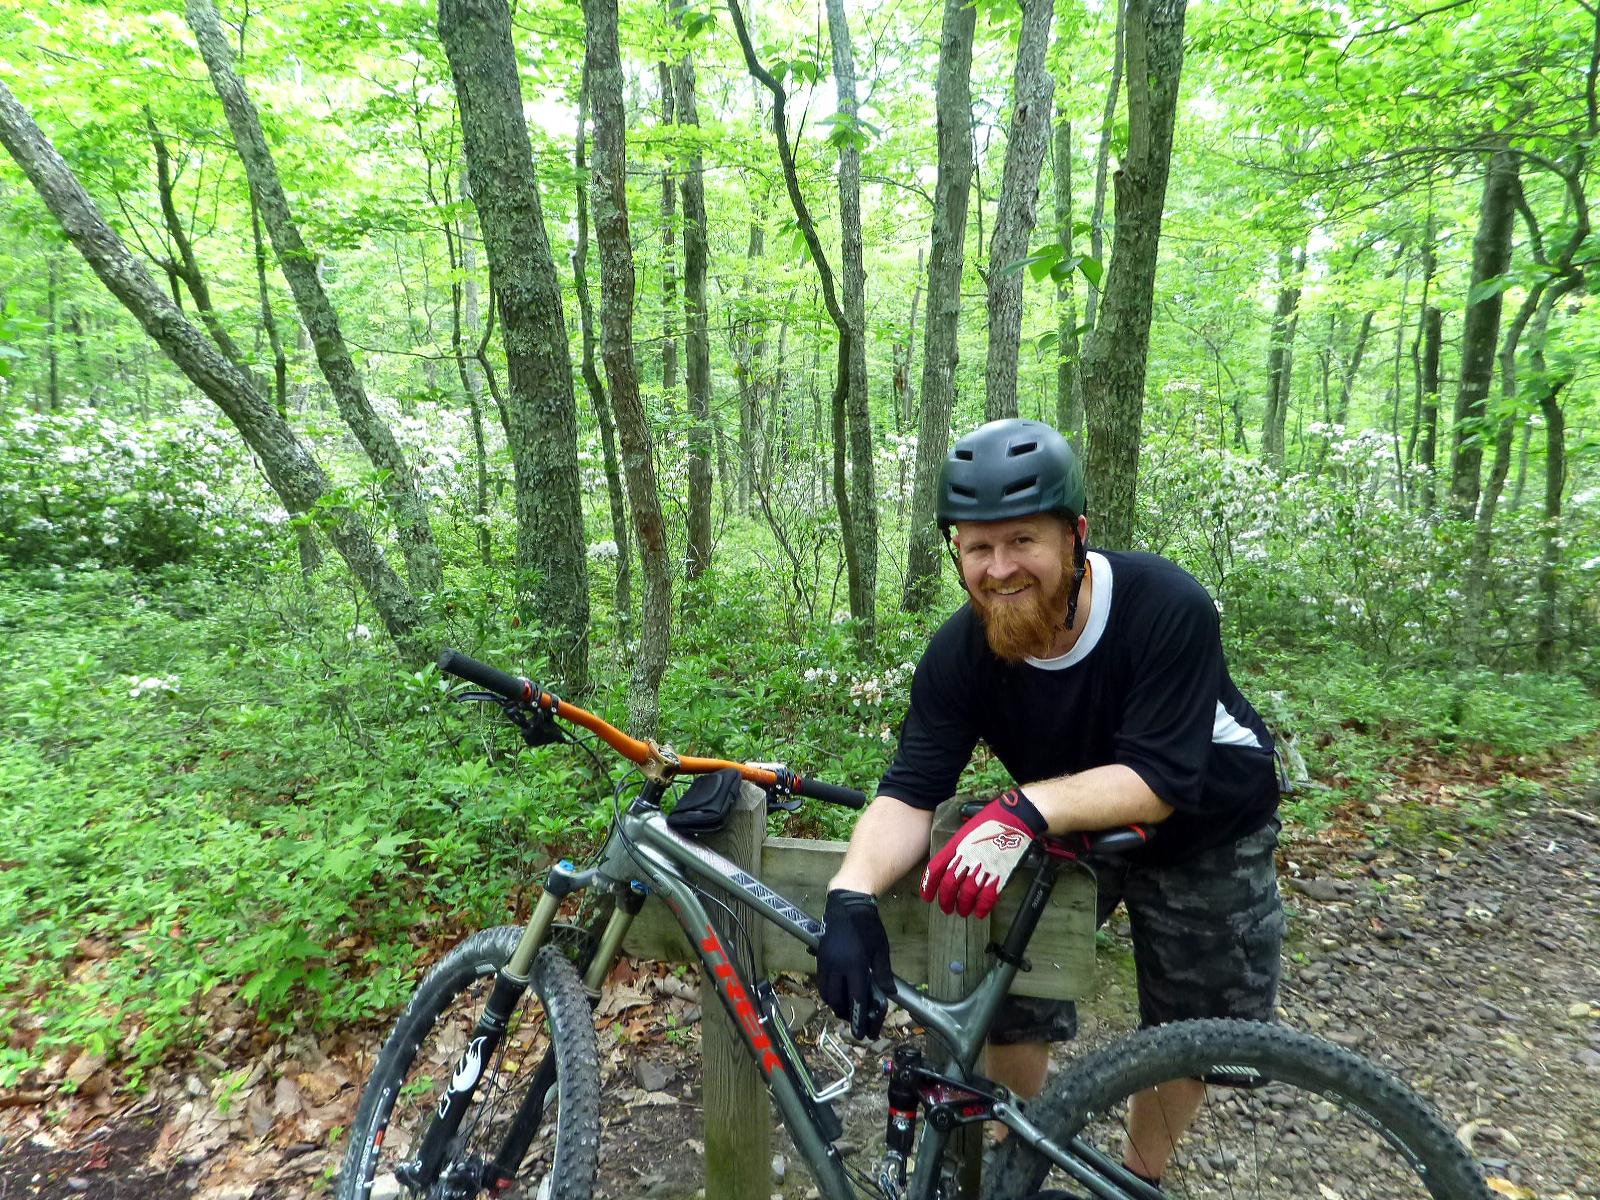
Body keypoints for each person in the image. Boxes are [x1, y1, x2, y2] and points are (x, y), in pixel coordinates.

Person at [815, 417, 1284, 1186]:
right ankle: (1021, 1155)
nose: (1000, 569)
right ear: (955, 552)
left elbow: (1162, 780)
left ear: (1076, 537)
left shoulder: (1167, 606)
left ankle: (1139, 1178)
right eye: (978, 548)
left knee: (1193, 1029)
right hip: (1067, 822)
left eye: (1023, 541)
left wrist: (1023, 808)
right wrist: (850, 895)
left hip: (1210, 826)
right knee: (1006, 988)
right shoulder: (957, 655)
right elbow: (909, 791)